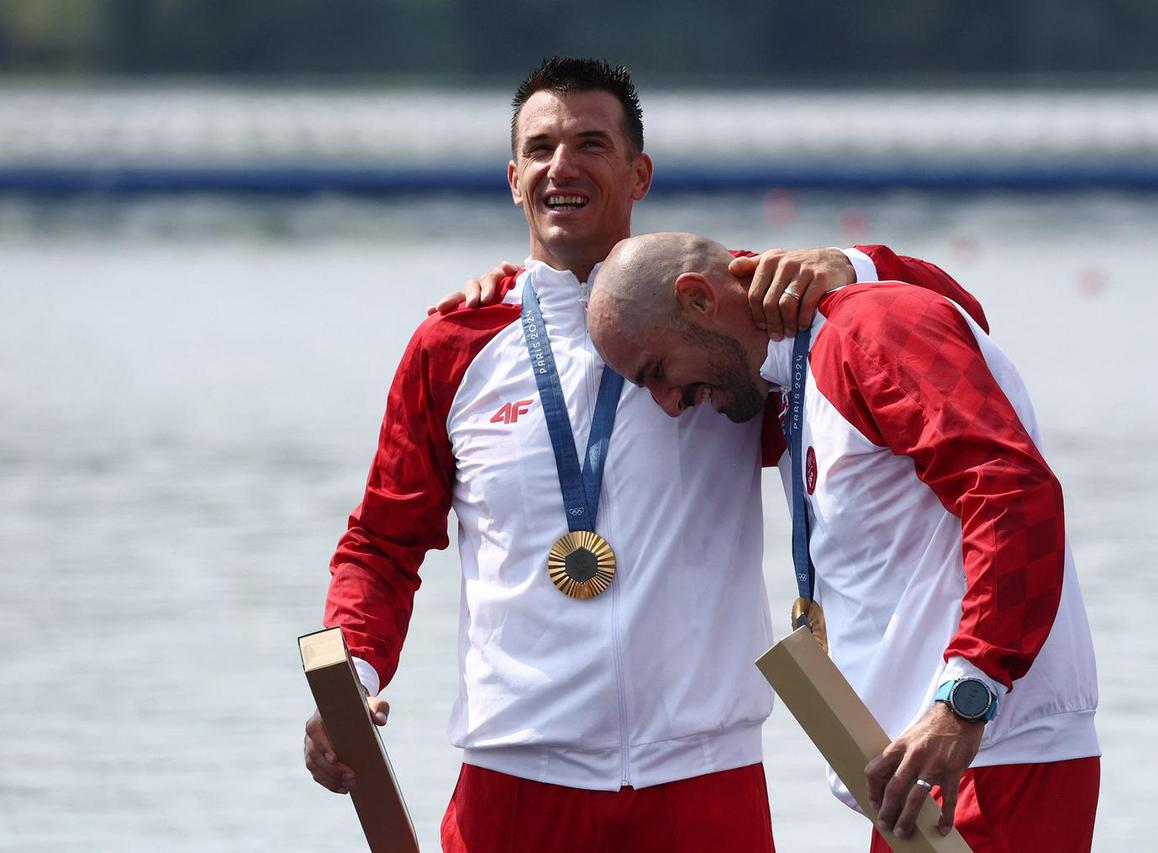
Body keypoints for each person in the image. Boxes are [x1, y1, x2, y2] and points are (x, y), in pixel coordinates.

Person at [302, 57, 977, 852]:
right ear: (514, 177)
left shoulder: (728, 319)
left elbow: (949, 321)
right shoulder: (453, 345)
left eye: (591, 143)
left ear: (639, 173)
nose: (564, 166)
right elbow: (382, 543)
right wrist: (353, 678)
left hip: (701, 780)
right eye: (543, 147)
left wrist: (852, 266)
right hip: (516, 780)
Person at [586, 232, 1101, 853]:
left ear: (697, 302)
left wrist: (968, 697)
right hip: (922, 771)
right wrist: (522, 285)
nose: (670, 406)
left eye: (659, 373)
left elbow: (1014, 495)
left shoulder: (868, 329)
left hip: (994, 756)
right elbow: (704, 270)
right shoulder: (790, 377)